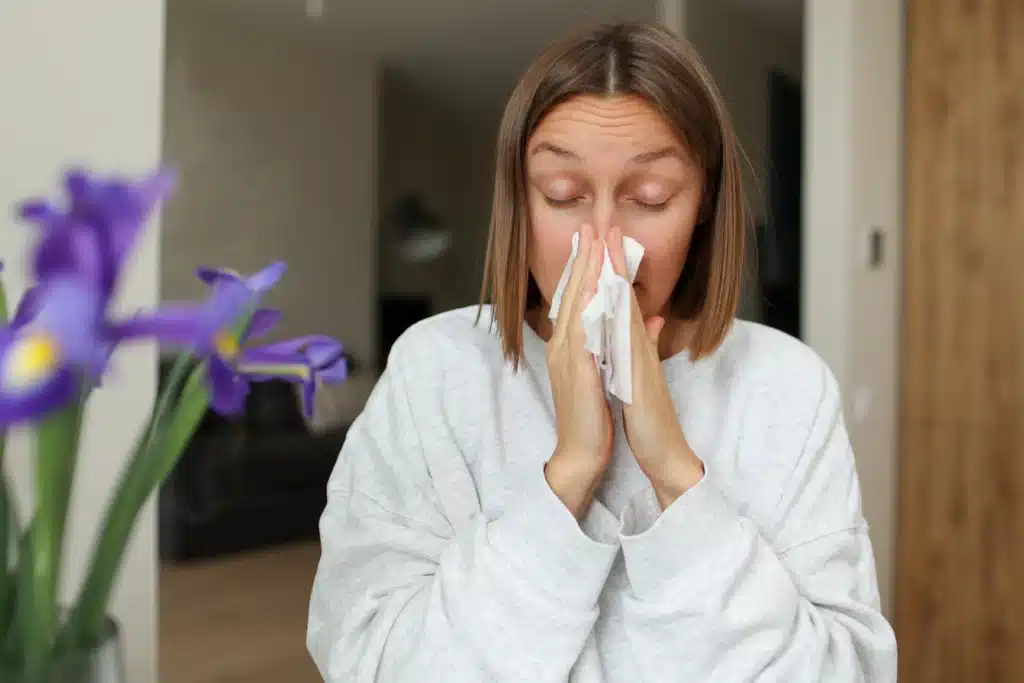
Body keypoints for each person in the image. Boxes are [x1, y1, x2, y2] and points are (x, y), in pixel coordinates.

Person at [306, 21, 898, 683]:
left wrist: (674, 472)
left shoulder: (786, 385)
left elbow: (848, 671)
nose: (605, 244)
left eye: (651, 198)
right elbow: (370, 660)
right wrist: (570, 472)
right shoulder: (437, 370)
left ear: (703, 201)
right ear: (521, 200)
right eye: (563, 195)